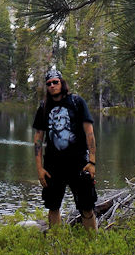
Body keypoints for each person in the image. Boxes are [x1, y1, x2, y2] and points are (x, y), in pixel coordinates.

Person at [32, 67, 97, 230]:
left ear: (62, 83)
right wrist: (39, 168)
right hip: (53, 166)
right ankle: (56, 241)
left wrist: (92, 162)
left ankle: (93, 241)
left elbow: (89, 133)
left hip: (79, 164)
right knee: (53, 206)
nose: (52, 85)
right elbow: (38, 139)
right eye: (49, 83)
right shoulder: (44, 107)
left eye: (55, 82)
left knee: (87, 206)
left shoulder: (77, 102)